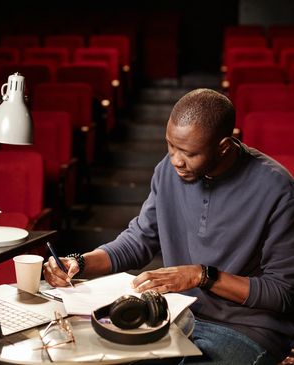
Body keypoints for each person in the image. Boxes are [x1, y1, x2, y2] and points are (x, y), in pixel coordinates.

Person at [43, 88, 294, 365]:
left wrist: (203, 276)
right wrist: (79, 263)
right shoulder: (168, 170)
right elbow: (138, 241)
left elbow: (283, 293)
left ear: (223, 146)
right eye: (170, 146)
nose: (175, 160)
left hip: (248, 329)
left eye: (188, 153)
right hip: (177, 316)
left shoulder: (277, 188)